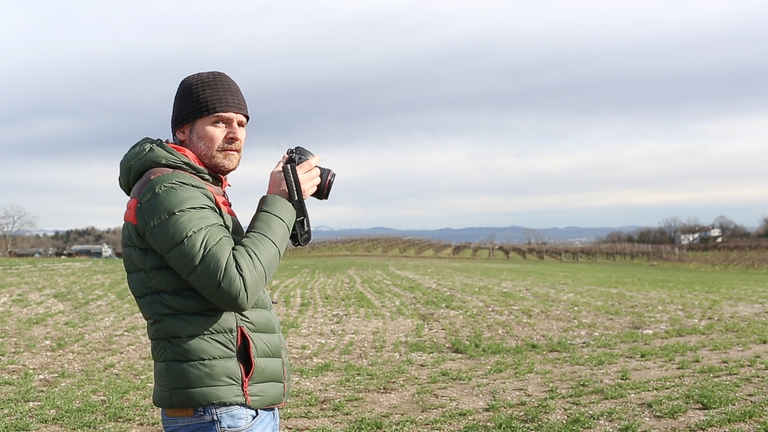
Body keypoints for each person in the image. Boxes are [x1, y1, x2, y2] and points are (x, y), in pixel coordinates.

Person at [118, 71, 320, 431]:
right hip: (219, 411)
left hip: (230, 404)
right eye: (219, 122)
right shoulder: (170, 191)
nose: (235, 134)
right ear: (182, 130)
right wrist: (278, 201)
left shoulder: (196, 189)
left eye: (241, 124)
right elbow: (236, 283)